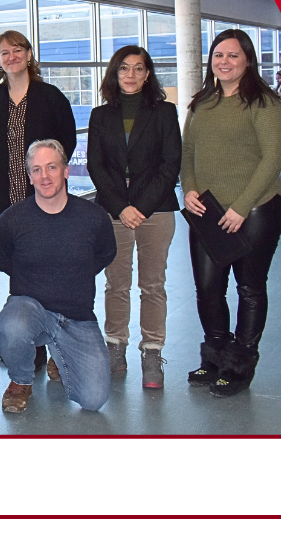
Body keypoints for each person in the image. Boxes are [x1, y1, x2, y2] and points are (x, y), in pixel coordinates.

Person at [182, 29, 281, 396]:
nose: (224, 62)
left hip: (256, 210)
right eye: (218, 55)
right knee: (208, 288)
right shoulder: (201, 103)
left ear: (247, 61)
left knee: (250, 289)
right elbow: (188, 152)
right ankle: (215, 355)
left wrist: (242, 206)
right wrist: (189, 188)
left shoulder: (264, 103)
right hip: (208, 212)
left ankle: (240, 364)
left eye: (233, 55)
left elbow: (273, 158)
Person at [0, 140, 116, 414]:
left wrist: (73, 272)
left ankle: (59, 357)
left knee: (94, 400)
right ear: (29, 176)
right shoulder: (13, 220)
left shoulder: (93, 218)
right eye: (36, 170)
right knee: (13, 325)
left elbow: (106, 254)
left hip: (77, 316)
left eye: (51, 167)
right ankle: (21, 380)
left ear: (66, 171)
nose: (44, 176)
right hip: (31, 309)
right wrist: (30, 274)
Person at [0, 30, 77, 375]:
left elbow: (67, 142)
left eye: (17, 49)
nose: (11, 57)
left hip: (46, 199)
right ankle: (27, 344)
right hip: (9, 202)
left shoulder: (50, 96)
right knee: (20, 275)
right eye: (3, 52)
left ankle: (57, 344)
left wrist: (49, 178)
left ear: (29, 54)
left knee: (52, 271)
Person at [86, 46, 181, 389]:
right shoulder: (99, 115)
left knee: (153, 284)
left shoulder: (165, 112)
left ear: (148, 74)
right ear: (115, 73)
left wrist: (140, 206)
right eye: (124, 68)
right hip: (113, 207)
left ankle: (152, 351)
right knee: (116, 282)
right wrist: (121, 206)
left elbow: (171, 165)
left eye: (139, 69)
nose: (131, 75)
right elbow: (96, 165)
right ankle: (116, 345)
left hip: (156, 207)